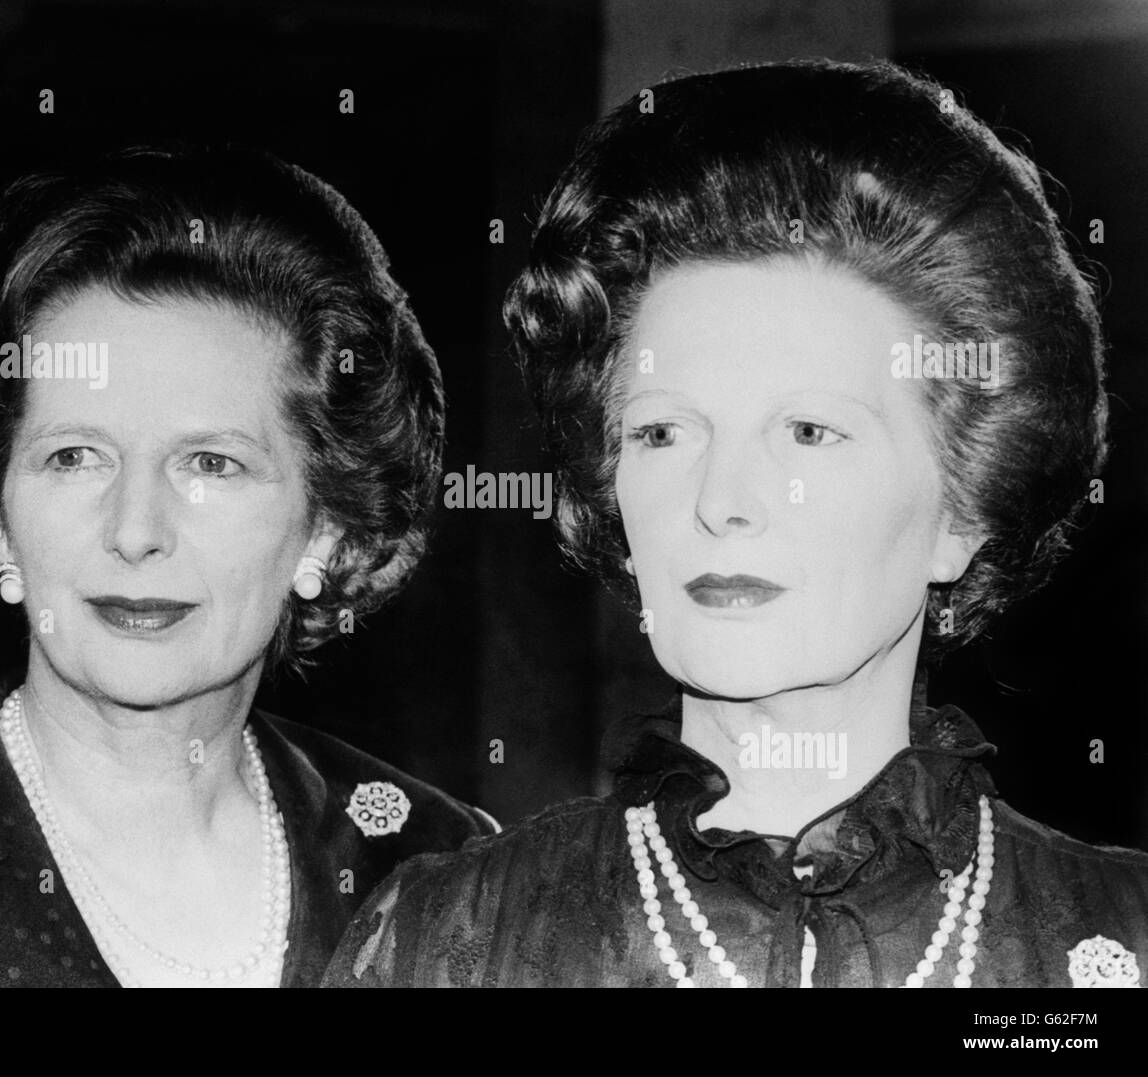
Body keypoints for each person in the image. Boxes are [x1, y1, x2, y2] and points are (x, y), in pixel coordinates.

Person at [324, 60, 1148, 988]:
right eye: (664, 431)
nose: (721, 499)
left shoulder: (1118, 937)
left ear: (964, 502)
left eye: (808, 430)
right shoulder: (451, 938)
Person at [0, 146, 495, 988]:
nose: (136, 529)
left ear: (328, 528)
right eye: (75, 455)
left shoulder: (446, 877)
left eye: (211, 464)